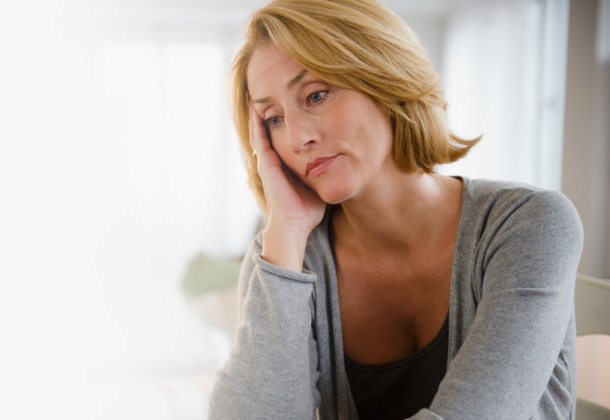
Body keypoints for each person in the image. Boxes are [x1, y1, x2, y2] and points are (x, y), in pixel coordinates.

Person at [207, 0, 584, 419]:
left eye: (315, 95)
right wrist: (289, 227)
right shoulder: (286, 257)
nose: (297, 137)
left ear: (384, 78)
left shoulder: (530, 224)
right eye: (273, 119)